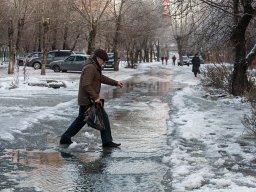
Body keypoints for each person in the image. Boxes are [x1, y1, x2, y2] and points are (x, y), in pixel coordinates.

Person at [60, 49, 123, 148]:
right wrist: (95, 97)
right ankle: (107, 141)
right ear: (98, 58)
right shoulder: (90, 67)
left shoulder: (94, 66)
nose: (103, 63)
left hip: (87, 98)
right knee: (103, 117)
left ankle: (65, 138)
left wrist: (115, 82)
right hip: (88, 99)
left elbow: (100, 78)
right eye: (103, 60)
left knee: (81, 119)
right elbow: (86, 84)